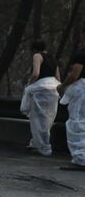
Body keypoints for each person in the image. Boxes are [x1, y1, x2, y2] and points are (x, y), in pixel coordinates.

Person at [20, 40, 61, 157]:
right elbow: (58, 77)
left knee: (37, 119)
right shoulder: (53, 58)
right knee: (48, 119)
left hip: (41, 90)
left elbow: (36, 73)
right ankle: (35, 143)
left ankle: (43, 146)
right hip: (53, 89)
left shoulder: (37, 56)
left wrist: (29, 83)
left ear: (33, 49)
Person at [59, 25, 85, 170]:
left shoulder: (81, 54)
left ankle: (81, 158)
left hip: (82, 90)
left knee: (77, 123)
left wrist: (62, 86)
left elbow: (75, 75)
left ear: (83, 34)